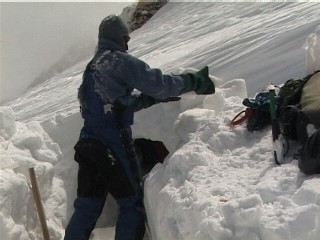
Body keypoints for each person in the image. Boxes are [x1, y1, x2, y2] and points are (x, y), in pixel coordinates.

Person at [64, 14, 215, 240]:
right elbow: (159, 84)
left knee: (87, 207)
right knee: (131, 206)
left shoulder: (92, 68)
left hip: (88, 143)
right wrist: (193, 82)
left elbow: (110, 106)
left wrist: (149, 100)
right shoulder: (118, 61)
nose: (128, 43)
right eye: (126, 38)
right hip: (111, 143)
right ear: (120, 37)